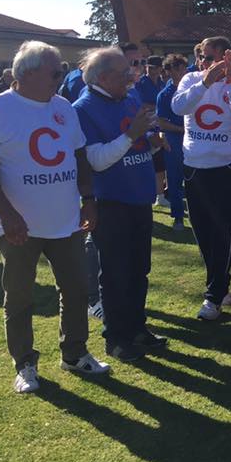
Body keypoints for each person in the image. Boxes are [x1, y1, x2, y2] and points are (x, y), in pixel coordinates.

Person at [0, 41, 110, 393]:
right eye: (55, 72)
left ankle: (74, 352)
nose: (61, 78)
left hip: (66, 221)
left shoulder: (63, 107)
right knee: (19, 297)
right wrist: (8, 215)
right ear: (27, 74)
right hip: (18, 226)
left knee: (76, 290)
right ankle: (25, 364)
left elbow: (79, 157)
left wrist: (89, 199)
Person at [74, 48, 168, 362]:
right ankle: (115, 337)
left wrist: (153, 142)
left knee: (139, 269)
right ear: (103, 77)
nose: (131, 77)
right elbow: (96, 161)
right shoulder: (83, 109)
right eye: (124, 73)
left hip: (139, 197)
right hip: (111, 201)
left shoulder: (127, 99)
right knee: (115, 273)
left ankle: (137, 328)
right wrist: (132, 135)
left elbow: (139, 142)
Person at [171, 36, 231, 321]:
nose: (204, 62)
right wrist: (205, 81)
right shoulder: (192, 79)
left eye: (211, 58)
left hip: (226, 166)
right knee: (202, 229)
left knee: (223, 229)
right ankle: (220, 282)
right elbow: (178, 107)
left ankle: (213, 295)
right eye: (202, 57)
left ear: (227, 58)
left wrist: (230, 81)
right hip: (194, 165)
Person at [156, 54, 188, 230]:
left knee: (194, 180)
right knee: (174, 180)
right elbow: (161, 122)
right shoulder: (164, 95)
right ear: (169, 71)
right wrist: (182, 129)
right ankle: (178, 217)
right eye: (178, 68)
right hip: (174, 141)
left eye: (184, 68)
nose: (183, 72)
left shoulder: (192, 89)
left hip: (194, 141)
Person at [135, 55, 167, 206]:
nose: (150, 70)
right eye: (148, 67)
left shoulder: (162, 83)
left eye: (153, 67)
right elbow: (140, 105)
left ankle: (160, 195)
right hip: (146, 126)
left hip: (160, 126)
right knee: (145, 162)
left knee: (160, 163)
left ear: (160, 69)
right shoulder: (141, 83)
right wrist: (157, 107)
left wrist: (156, 107)